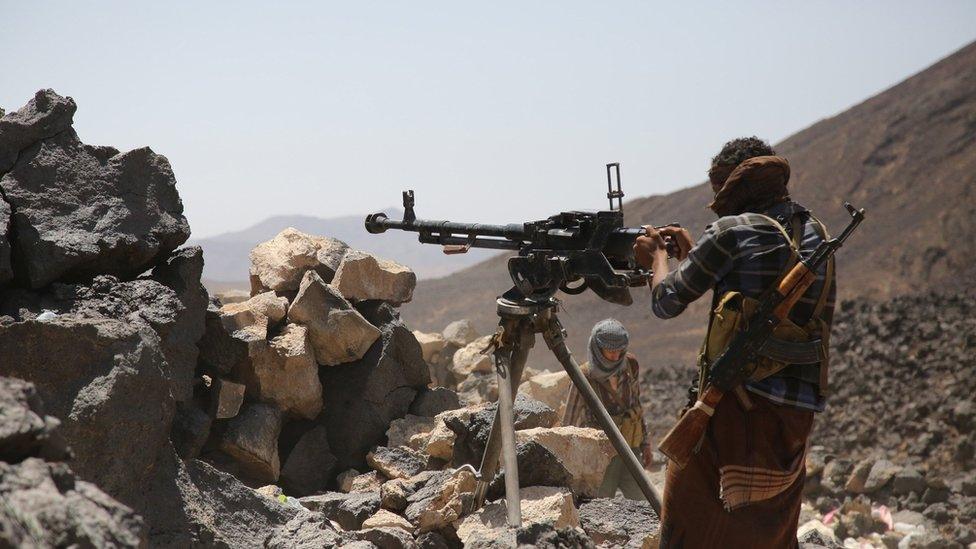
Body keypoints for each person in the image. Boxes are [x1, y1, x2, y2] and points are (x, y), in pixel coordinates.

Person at [633, 136, 836, 548]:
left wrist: (656, 257)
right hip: (793, 421)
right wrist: (699, 257)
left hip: (733, 412)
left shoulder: (731, 230)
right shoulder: (817, 234)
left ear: (732, 188)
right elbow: (758, 307)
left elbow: (666, 301)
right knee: (768, 533)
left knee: (686, 533)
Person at [562, 318, 653, 499]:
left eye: (620, 351)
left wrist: (646, 443)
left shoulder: (630, 365)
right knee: (601, 504)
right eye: (610, 351)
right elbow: (570, 419)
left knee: (643, 502)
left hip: (630, 447)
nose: (616, 356)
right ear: (597, 348)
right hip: (601, 454)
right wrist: (568, 457)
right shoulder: (584, 375)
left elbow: (635, 405)